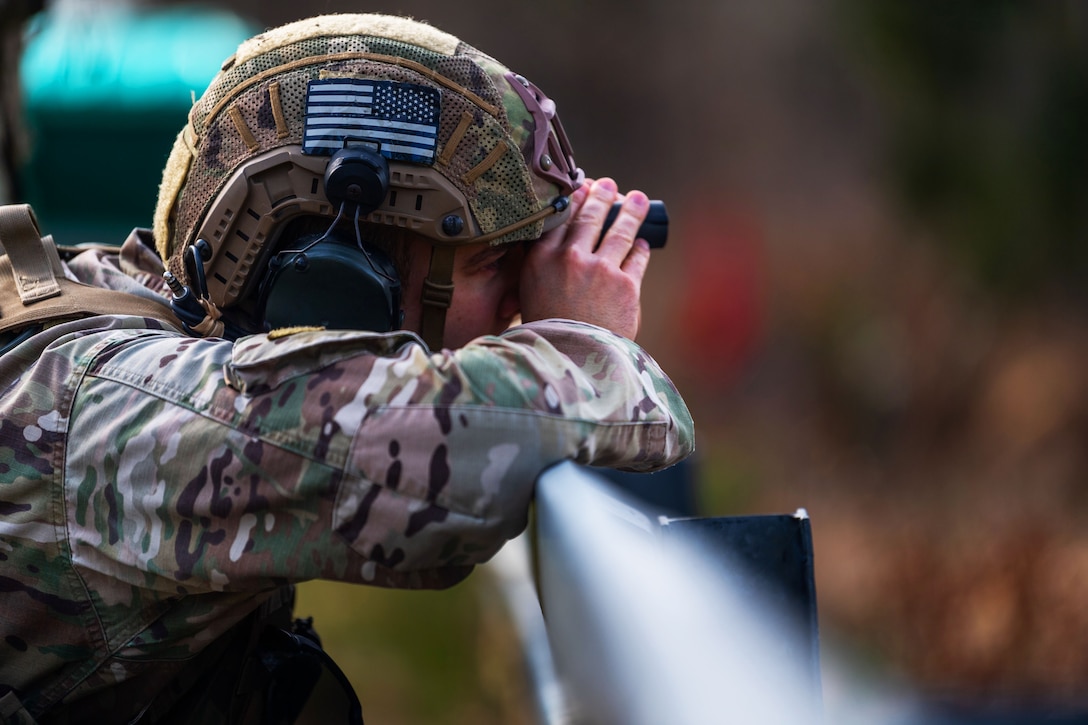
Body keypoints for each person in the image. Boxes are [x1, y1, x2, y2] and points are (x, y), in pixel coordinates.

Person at [0, 12, 694, 724]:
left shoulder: (143, 310)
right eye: (493, 263)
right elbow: (456, 455)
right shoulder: (130, 409)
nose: (520, 305)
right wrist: (584, 335)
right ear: (346, 278)